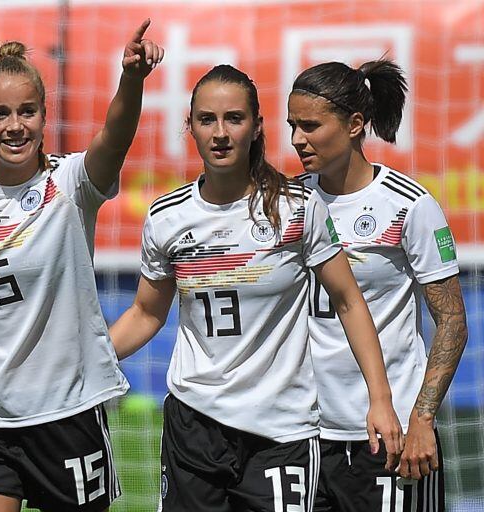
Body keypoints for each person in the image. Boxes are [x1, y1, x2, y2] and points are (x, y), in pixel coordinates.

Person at [0, 20, 164, 512]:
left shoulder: (73, 183)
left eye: (26, 112)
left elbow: (115, 137)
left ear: (44, 115)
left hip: (67, 412)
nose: (14, 125)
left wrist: (132, 80)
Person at [109, 64, 403, 511]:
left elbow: (348, 301)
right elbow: (146, 314)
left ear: (257, 126)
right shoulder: (167, 218)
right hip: (195, 425)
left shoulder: (296, 208)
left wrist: (380, 400)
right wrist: (85, 360)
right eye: (207, 120)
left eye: (234, 119)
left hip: (281, 432)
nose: (221, 133)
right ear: (189, 126)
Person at [287, 60, 468, 511]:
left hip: (390, 434)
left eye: (310, 126)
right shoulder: (288, 203)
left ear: (354, 125)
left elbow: (452, 322)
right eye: (292, 125)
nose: (297, 140)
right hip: (302, 434)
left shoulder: (409, 205)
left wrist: (422, 418)